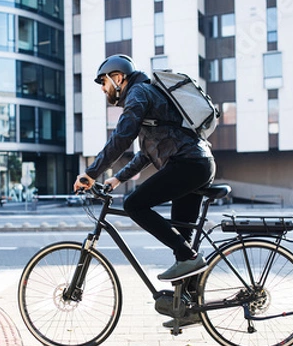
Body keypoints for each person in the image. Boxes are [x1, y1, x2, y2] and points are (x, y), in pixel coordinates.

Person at [73, 54, 216, 285]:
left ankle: (188, 257)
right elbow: (147, 153)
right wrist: (117, 179)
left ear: (118, 77)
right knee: (181, 241)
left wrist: (90, 173)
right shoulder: (149, 94)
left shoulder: (138, 94)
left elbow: (122, 137)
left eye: (104, 82)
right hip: (197, 163)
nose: (102, 89)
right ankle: (188, 306)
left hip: (188, 164)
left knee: (133, 204)